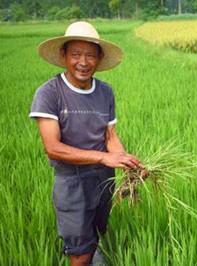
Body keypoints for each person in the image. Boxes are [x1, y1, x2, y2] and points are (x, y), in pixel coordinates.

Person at [29, 21, 145, 266]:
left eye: (90, 55)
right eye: (76, 54)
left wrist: (125, 162)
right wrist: (103, 157)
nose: (83, 62)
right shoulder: (49, 93)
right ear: (64, 55)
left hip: (104, 180)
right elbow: (53, 147)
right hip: (72, 183)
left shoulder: (105, 92)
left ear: (99, 59)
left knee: (96, 236)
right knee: (80, 253)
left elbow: (110, 137)